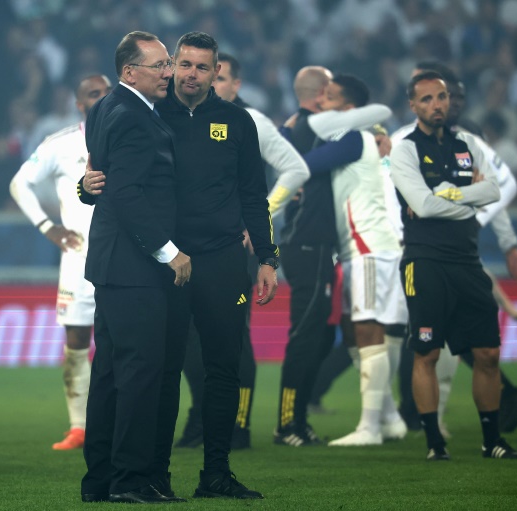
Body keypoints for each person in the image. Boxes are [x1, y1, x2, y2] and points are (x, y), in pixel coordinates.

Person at [82, 31, 278, 500]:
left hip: (223, 259)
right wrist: (84, 187)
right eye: (181, 65)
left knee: (223, 367)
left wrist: (268, 256)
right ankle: (155, 473)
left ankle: (216, 472)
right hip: (164, 264)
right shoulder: (151, 111)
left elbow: (254, 194)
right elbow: (112, 174)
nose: (186, 75)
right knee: (161, 370)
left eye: (200, 67)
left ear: (217, 74)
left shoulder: (236, 122)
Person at [391, 62, 517, 436]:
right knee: (425, 343)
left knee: (466, 343)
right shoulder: (404, 143)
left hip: (461, 251)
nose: (440, 102)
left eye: (445, 95)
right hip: (416, 250)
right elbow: (419, 204)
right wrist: (464, 202)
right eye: (429, 96)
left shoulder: (469, 139)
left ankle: (434, 419)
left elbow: (495, 192)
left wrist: (452, 198)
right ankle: (423, 422)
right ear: (414, 101)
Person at [174, 52, 309, 450]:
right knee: (189, 342)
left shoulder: (250, 121)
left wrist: (261, 219)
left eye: (219, 78)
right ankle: (203, 418)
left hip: (234, 245)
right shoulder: (183, 115)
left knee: (234, 339)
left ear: (233, 83)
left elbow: (296, 168)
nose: (210, 84)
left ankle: (239, 425)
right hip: (189, 246)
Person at [78, 31, 191, 505]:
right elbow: (125, 193)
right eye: (160, 65)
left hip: (111, 266)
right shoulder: (131, 117)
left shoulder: (103, 108)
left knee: (109, 377)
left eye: (169, 64)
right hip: (134, 268)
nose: (169, 73)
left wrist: (87, 186)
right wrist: (169, 251)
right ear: (130, 72)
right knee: (140, 375)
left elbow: (103, 178)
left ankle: (101, 482)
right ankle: (131, 481)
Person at [288, 74, 407, 446]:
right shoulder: (363, 136)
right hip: (364, 247)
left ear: (349, 108)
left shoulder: (354, 138)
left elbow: (304, 163)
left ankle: (370, 427)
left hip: (368, 247)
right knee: (357, 331)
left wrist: (286, 134)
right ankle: (389, 418)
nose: (323, 102)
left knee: (368, 330)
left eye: (331, 98)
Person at [9, 74, 111, 450]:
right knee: (77, 340)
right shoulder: (61, 143)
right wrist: (48, 228)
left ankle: (116, 423)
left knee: (122, 341)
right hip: (78, 258)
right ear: (80, 104)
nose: (101, 99)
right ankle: (79, 427)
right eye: (92, 95)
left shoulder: (131, 133)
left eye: (106, 93)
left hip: (124, 256)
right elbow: (20, 184)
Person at [271, 66, 337, 447]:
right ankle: (287, 423)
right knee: (304, 336)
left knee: (321, 336)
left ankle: (298, 419)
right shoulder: (315, 127)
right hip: (307, 244)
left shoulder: (296, 125)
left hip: (314, 245)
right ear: (324, 91)